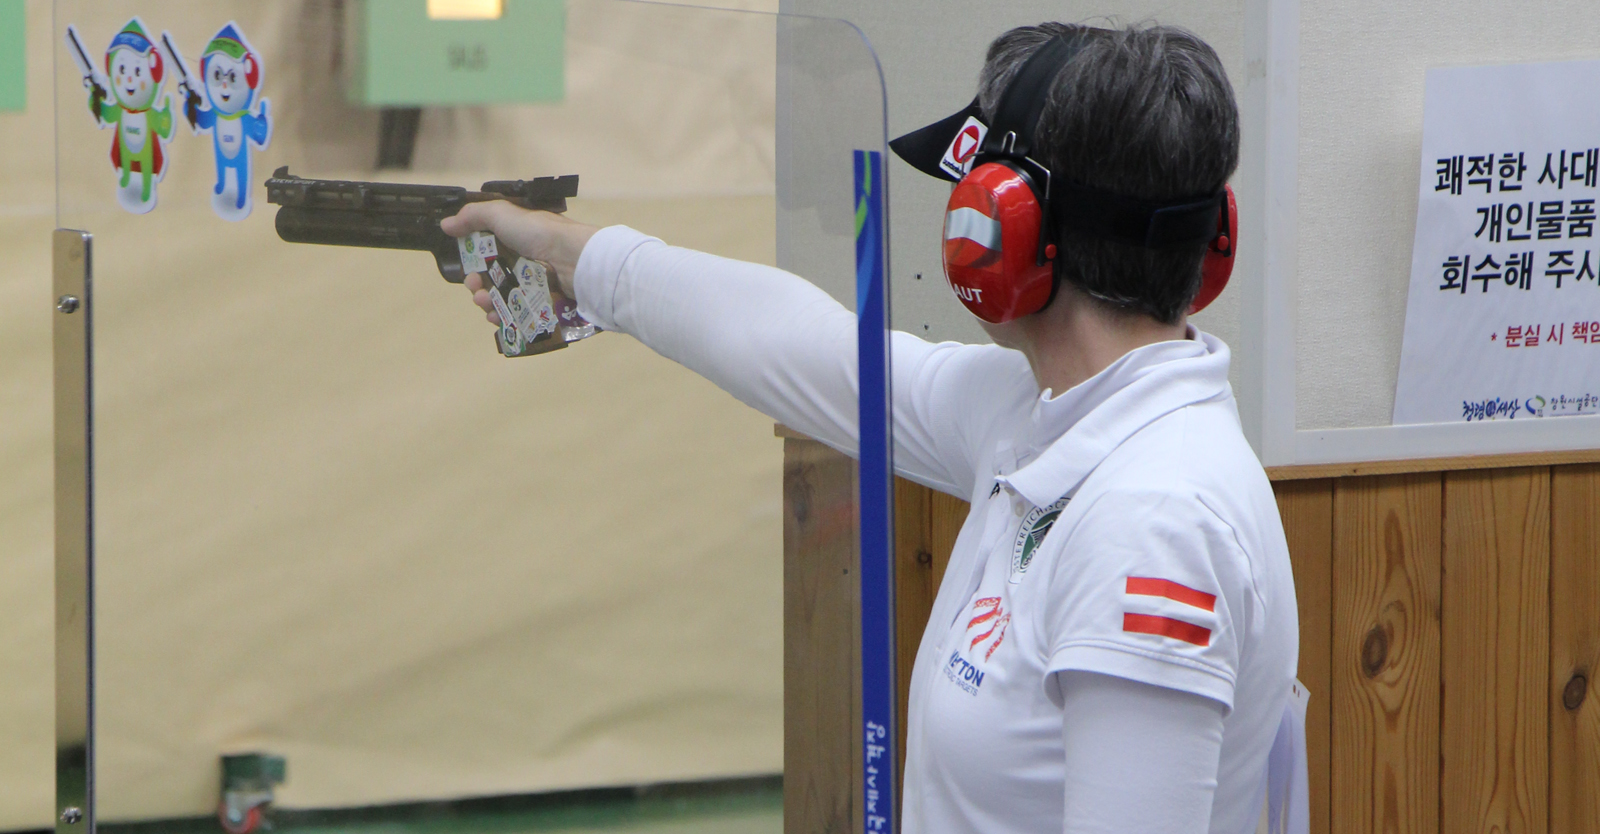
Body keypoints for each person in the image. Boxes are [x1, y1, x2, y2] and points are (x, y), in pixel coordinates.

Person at [442, 21, 1300, 834]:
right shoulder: (1048, 417)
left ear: (1005, 232)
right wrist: (568, 253)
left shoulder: (1152, 521)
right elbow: (801, 345)